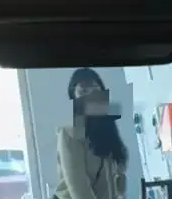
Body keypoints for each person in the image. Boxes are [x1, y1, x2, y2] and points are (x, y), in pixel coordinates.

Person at [55, 68, 128, 199]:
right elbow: (79, 188)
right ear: (73, 97)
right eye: (83, 91)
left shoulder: (108, 126)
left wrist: (121, 194)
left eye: (95, 90)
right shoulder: (69, 132)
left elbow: (119, 173)